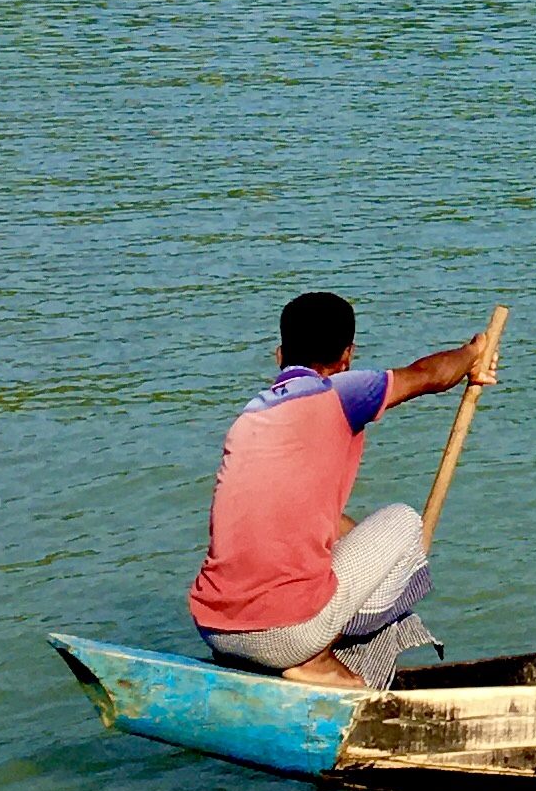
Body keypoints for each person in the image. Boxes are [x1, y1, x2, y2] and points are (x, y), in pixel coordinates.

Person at [189, 291, 498, 690]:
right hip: (288, 637)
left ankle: (288, 647)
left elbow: (310, 516)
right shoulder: (339, 392)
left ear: (280, 355)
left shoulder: (251, 417)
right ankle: (314, 656)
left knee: (352, 534)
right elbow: (429, 375)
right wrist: (472, 353)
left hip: (215, 630)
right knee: (404, 523)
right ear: (347, 356)